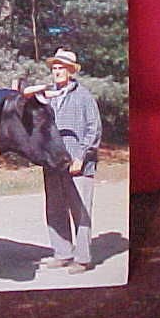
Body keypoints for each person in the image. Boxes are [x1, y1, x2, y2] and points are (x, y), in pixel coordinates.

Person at [43, 48, 102, 274]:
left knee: (80, 210)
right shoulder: (49, 96)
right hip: (53, 162)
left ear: (71, 71)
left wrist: (81, 157)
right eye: (54, 68)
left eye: (61, 68)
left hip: (78, 162)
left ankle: (83, 258)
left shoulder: (83, 96)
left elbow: (94, 129)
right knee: (55, 208)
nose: (57, 72)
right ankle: (62, 252)